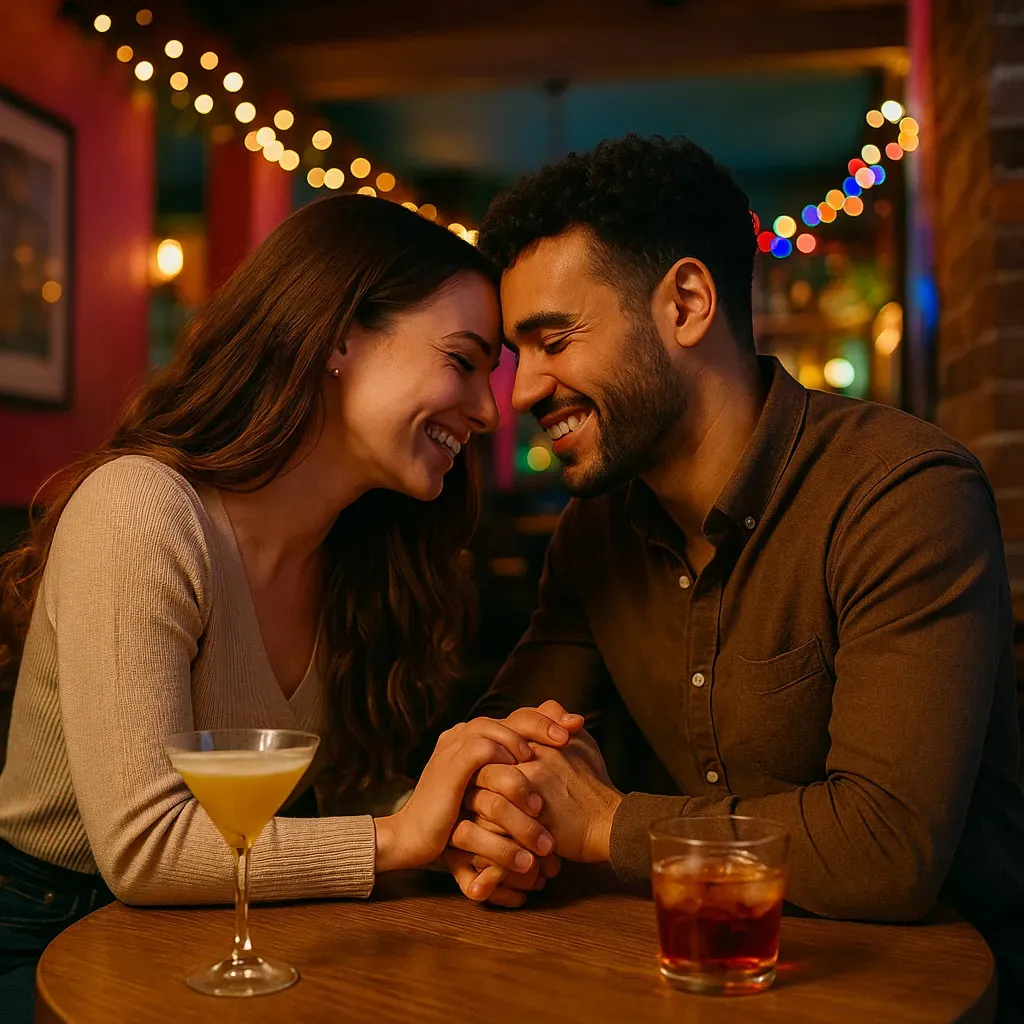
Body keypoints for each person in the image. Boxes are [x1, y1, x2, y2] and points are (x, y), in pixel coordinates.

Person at [444, 135, 1024, 1019]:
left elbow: (885, 848)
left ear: (685, 303)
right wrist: (500, 806)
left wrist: (603, 822)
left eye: (553, 341)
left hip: (927, 991)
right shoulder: (594, 531)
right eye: (517, 358)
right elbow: (510, 749)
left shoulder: (902, 494)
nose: (523, 393)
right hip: (689, 984)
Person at [0, 194, 569, 1021]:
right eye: (464, 360)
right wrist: (407, 834)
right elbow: (145, 851)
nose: (488, 409)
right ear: (338, 336)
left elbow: (344, 797)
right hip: (50, 937)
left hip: (237, 931)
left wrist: (475, 818)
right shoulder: (140, 511)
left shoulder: (362, 553)